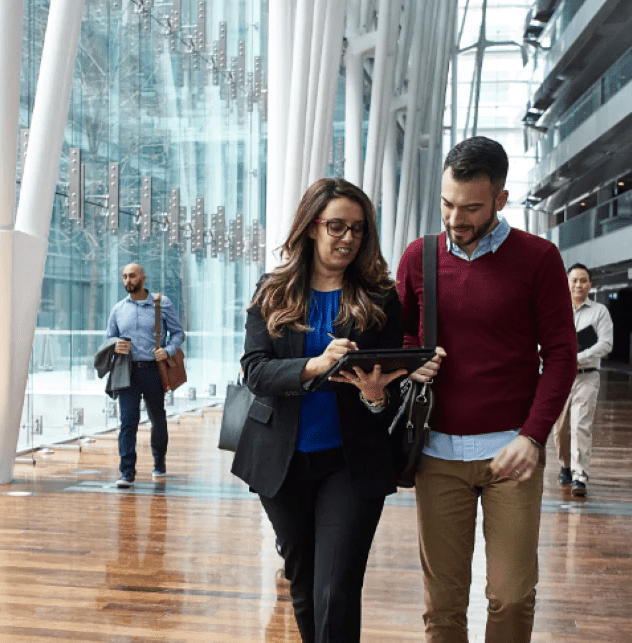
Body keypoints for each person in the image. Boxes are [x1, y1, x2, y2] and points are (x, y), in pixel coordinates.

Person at [397, 136, 577, 643]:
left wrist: (534, 435)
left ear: (500, 199)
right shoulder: (418, 257)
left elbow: (561, 354)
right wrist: (412, 364)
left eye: (471, 207)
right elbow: (402, 336)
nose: (456, 218)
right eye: (447, 204)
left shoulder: (538, 258)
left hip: (513, 452)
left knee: (512, 594)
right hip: (436, 454)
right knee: (444, 604)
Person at [232, 178, 407, 642]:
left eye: (357, 229)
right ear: (311, 227)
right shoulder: (273, 291)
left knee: (337, 590)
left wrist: (375, 394)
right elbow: (255, 372)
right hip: (281, 461)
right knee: (305, 587)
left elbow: (391, 382)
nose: (347, 238)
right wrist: (314, 364)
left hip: (350, 462)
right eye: (336, 226)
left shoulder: (380, 298)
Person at [105, 263, 184, 487]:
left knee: (157, 418)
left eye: (132, 276)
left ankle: (160, 462)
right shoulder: (118, 309)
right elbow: (109, 337)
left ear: (143, 278)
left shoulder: (161, 303)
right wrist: (115, 345)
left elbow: (178, 333)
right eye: (124, 277)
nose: (127, 280)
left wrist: (167, 350)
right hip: (127, 372)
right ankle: (127, 472)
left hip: (153, 370)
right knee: (128, 422)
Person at [553, 263, 613, 497]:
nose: (579, 284)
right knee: (560, 430)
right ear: (566, 283)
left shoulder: (599, 312)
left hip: (587, 377)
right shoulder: (557, 311)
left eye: (583, 280)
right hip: (560, 377)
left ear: (590, 284)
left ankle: (580, 477)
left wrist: (578, 357)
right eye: (574, 280)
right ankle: (566, 467)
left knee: (580, 426)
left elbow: (606, 343)